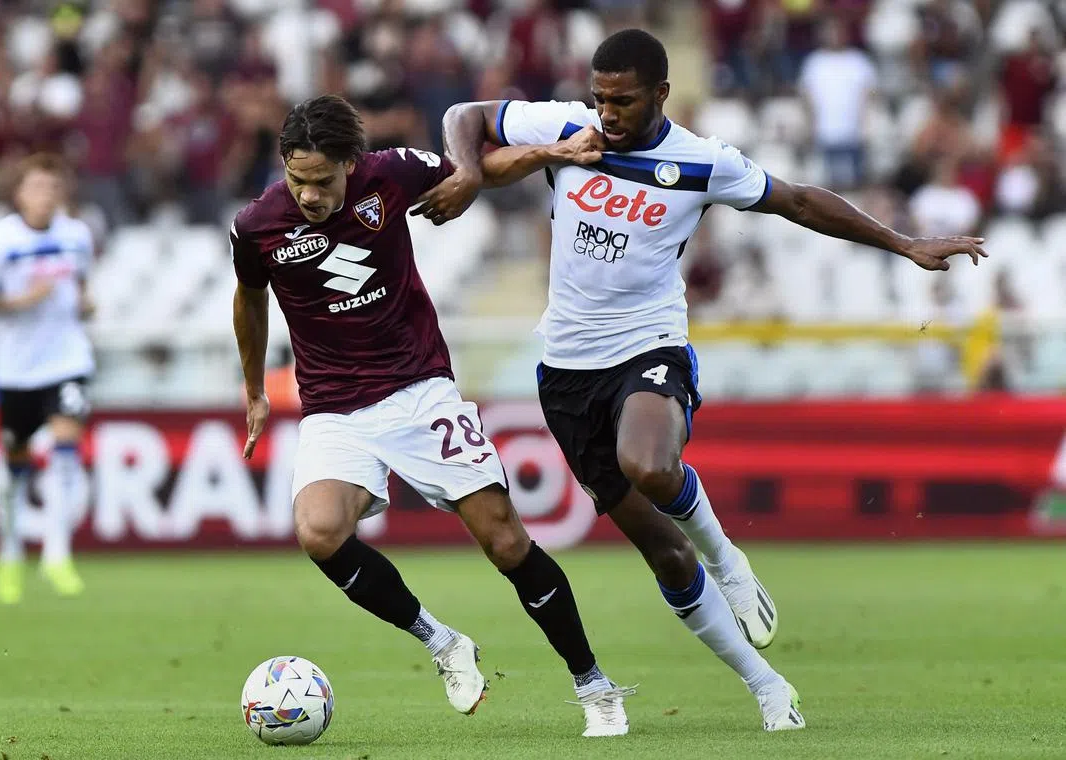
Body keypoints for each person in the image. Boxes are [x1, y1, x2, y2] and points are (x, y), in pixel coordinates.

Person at [421, 28, 987, 732]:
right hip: (564, 372)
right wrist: (469, 171)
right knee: (661, 548)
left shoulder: (700, 161)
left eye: (623, 100)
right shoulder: (567, 128)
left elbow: (801, 200)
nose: (608, 114)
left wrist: (903, 244)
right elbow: (465, 118)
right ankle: (767, 685)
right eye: (600, 98)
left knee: (650, 465)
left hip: (650, 346)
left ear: (660, 94)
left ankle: (728, 559)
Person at [230, 95, 631, 737]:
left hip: (420, 390)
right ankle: (443, 641)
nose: (310, 195)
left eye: (324, 181)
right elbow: (248, 300)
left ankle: (595, 685)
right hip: (334, 407)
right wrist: (254, 387)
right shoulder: (256, 226)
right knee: (319, 531)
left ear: (351, 165)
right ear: (284, 167)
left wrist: (552, 153)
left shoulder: (390, 173)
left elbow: (477, 169)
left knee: (504, 540)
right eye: (299, 180)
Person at [0, 153, 96, 604]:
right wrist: (20, 301)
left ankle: (57, 554)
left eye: (53, 188)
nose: (46, 197)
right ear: (19, 193)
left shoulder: (77, 236)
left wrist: (84, 304)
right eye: (37, 187)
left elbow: (81, 286)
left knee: (65, 447)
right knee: (15, 462)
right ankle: (10, 551)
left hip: (67, 360)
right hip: (17, 369)